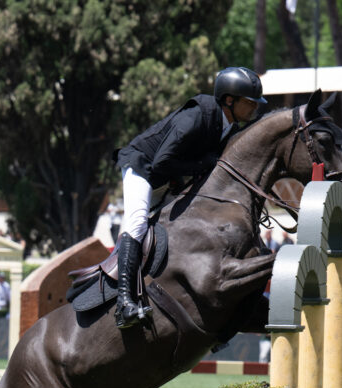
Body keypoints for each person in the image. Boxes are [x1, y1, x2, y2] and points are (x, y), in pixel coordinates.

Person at [113, 66, 265, 329]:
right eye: (249, 102)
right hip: (142, 166)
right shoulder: (197, 115)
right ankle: (124, 303)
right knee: (137, 221)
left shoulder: (228, 127)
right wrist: (203, 164)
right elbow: (162, 161)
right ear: (229, 100)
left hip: (169, 176)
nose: (254, 108)